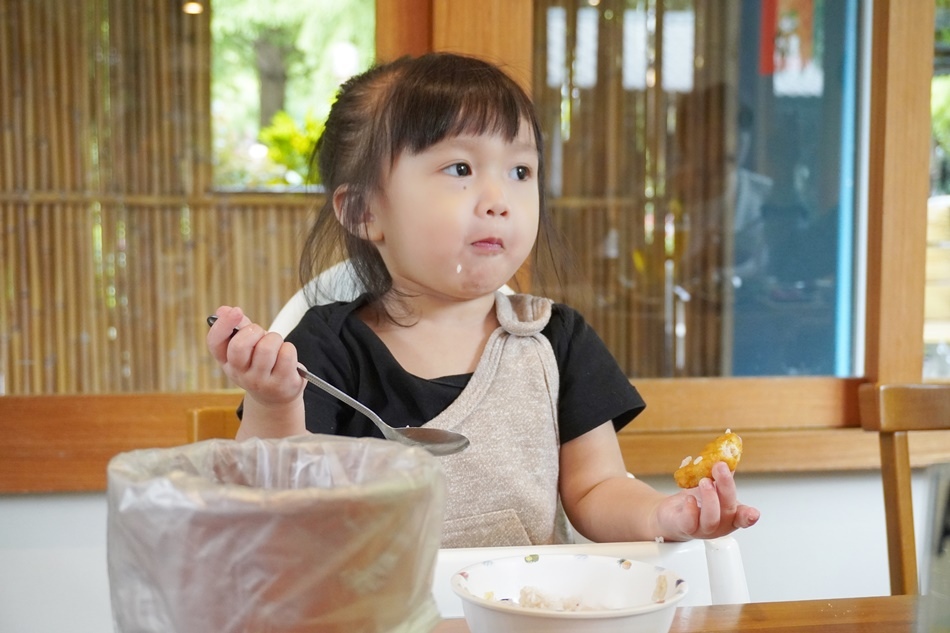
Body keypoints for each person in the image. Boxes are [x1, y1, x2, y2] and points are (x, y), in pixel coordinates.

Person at [208, 52, 760, 548]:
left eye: (520, 171)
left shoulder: (555, 341)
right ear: (363, 212)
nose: (499, 199)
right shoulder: (327, 349)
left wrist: (665, 515)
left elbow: (597, 488)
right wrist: (274, 403)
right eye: (460, 169)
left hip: (530, 613)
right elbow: (278, 497)